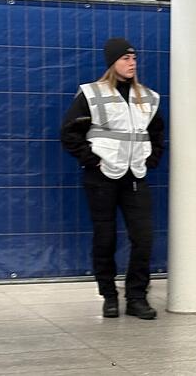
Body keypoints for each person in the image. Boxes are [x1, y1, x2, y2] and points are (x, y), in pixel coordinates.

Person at [60, 37, 164, 320]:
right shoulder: (91, 94)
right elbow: (69, 133)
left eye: (134, 58)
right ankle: (109, 296)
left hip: (135, 178)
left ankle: (136, 298)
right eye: (125, 58)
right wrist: (92, 161)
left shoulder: (148, 98)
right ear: (112, 62)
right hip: (101, 179)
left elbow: (156, 134)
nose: (131, 63)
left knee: (143, 239)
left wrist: (151, 159)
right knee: (105, 239)